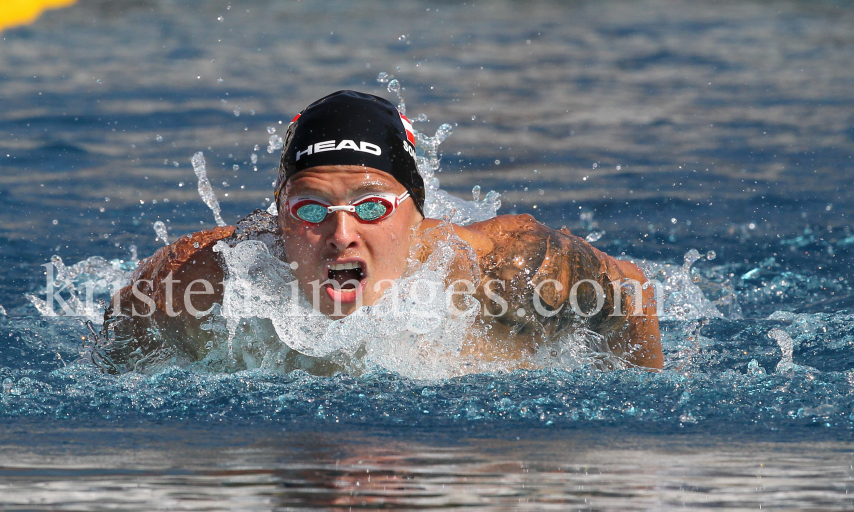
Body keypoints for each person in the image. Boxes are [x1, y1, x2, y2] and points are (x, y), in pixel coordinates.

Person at [100, 90, 662, 373]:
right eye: (311, 209)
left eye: (370, 208)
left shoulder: (510, 271)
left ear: (415, 214)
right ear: (278, 213)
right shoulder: (202, 277)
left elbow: (634, 296)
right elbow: (118, 344)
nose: (341, 234)